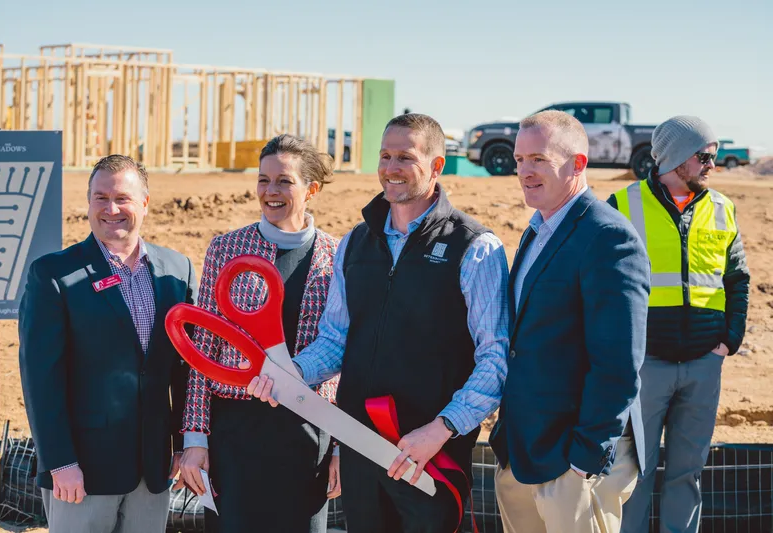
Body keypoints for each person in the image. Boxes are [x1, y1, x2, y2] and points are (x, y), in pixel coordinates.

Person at [249, 113, 510, 533]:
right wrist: (290, 374)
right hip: (361, 449)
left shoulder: (475, 248)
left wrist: (441, 429)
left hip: (430, 458)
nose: (390, 168)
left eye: (404, 157)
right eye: (385, 156)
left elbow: (495, 361)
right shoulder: (355, 242)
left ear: (436, 165)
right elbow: (335, 340)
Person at [488, 110, 650, 533]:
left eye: (538, 159)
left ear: (578, 163)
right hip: (525, 450)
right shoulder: (537, 230)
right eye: (520, 159)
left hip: (573, 463)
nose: (524, 171)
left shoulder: (608, 236)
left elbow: (619, 363)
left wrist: (585, 460)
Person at [18, 155, 198, 533]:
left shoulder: (176, 271)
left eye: (123, 198)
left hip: (153, 471)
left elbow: (185, 371)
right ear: (88, 203)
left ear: (145, 203)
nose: (111, 209)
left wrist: (183, 444)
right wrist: (60, 462)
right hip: (82, 472)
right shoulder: (53, 274)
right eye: (100, 198)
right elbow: (41, 379)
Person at [176, 134, 341, 533]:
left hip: (308, 431)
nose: (271, 191)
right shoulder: (226, 249)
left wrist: (339, 447)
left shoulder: (338, 257)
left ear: (311, 189)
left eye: (284, 181)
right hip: (236, 432)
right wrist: (195, 439)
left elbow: (342, 357)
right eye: (263, 180)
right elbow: (205, 351)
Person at [610, 116, 751, 533]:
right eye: (704, 156)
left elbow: (737, 280)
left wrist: (730, 340)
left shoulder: (724, 208)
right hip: (644, 365)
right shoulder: (623, 205)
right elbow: (600, 282)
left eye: (715, 155)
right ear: (674, 157)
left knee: (688, 471)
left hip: (704, 363)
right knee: (634, 471)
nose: (712, 164)